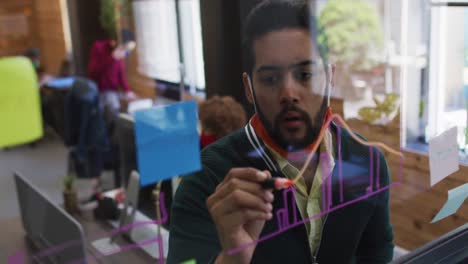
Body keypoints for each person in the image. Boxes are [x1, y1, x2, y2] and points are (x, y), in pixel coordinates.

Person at [168, 1, 394, 263]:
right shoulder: (206, 182)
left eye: (306, 74)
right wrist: (234, 257)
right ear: (249, 87)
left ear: (330, 76)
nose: (288, 94)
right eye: (271, 79)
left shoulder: (367, 160)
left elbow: (377, 251)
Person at [87, 29, 137, 122]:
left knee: (116, 117)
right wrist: (112, 58)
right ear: (114, 43)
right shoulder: (98, 47)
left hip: (111, 93)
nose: (125, 54)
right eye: (125, 50)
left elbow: (121, 76)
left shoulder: (120, 55)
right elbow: (92, 72)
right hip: (97, 91)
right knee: (98, 120)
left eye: (128, 52)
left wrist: (128, 91)